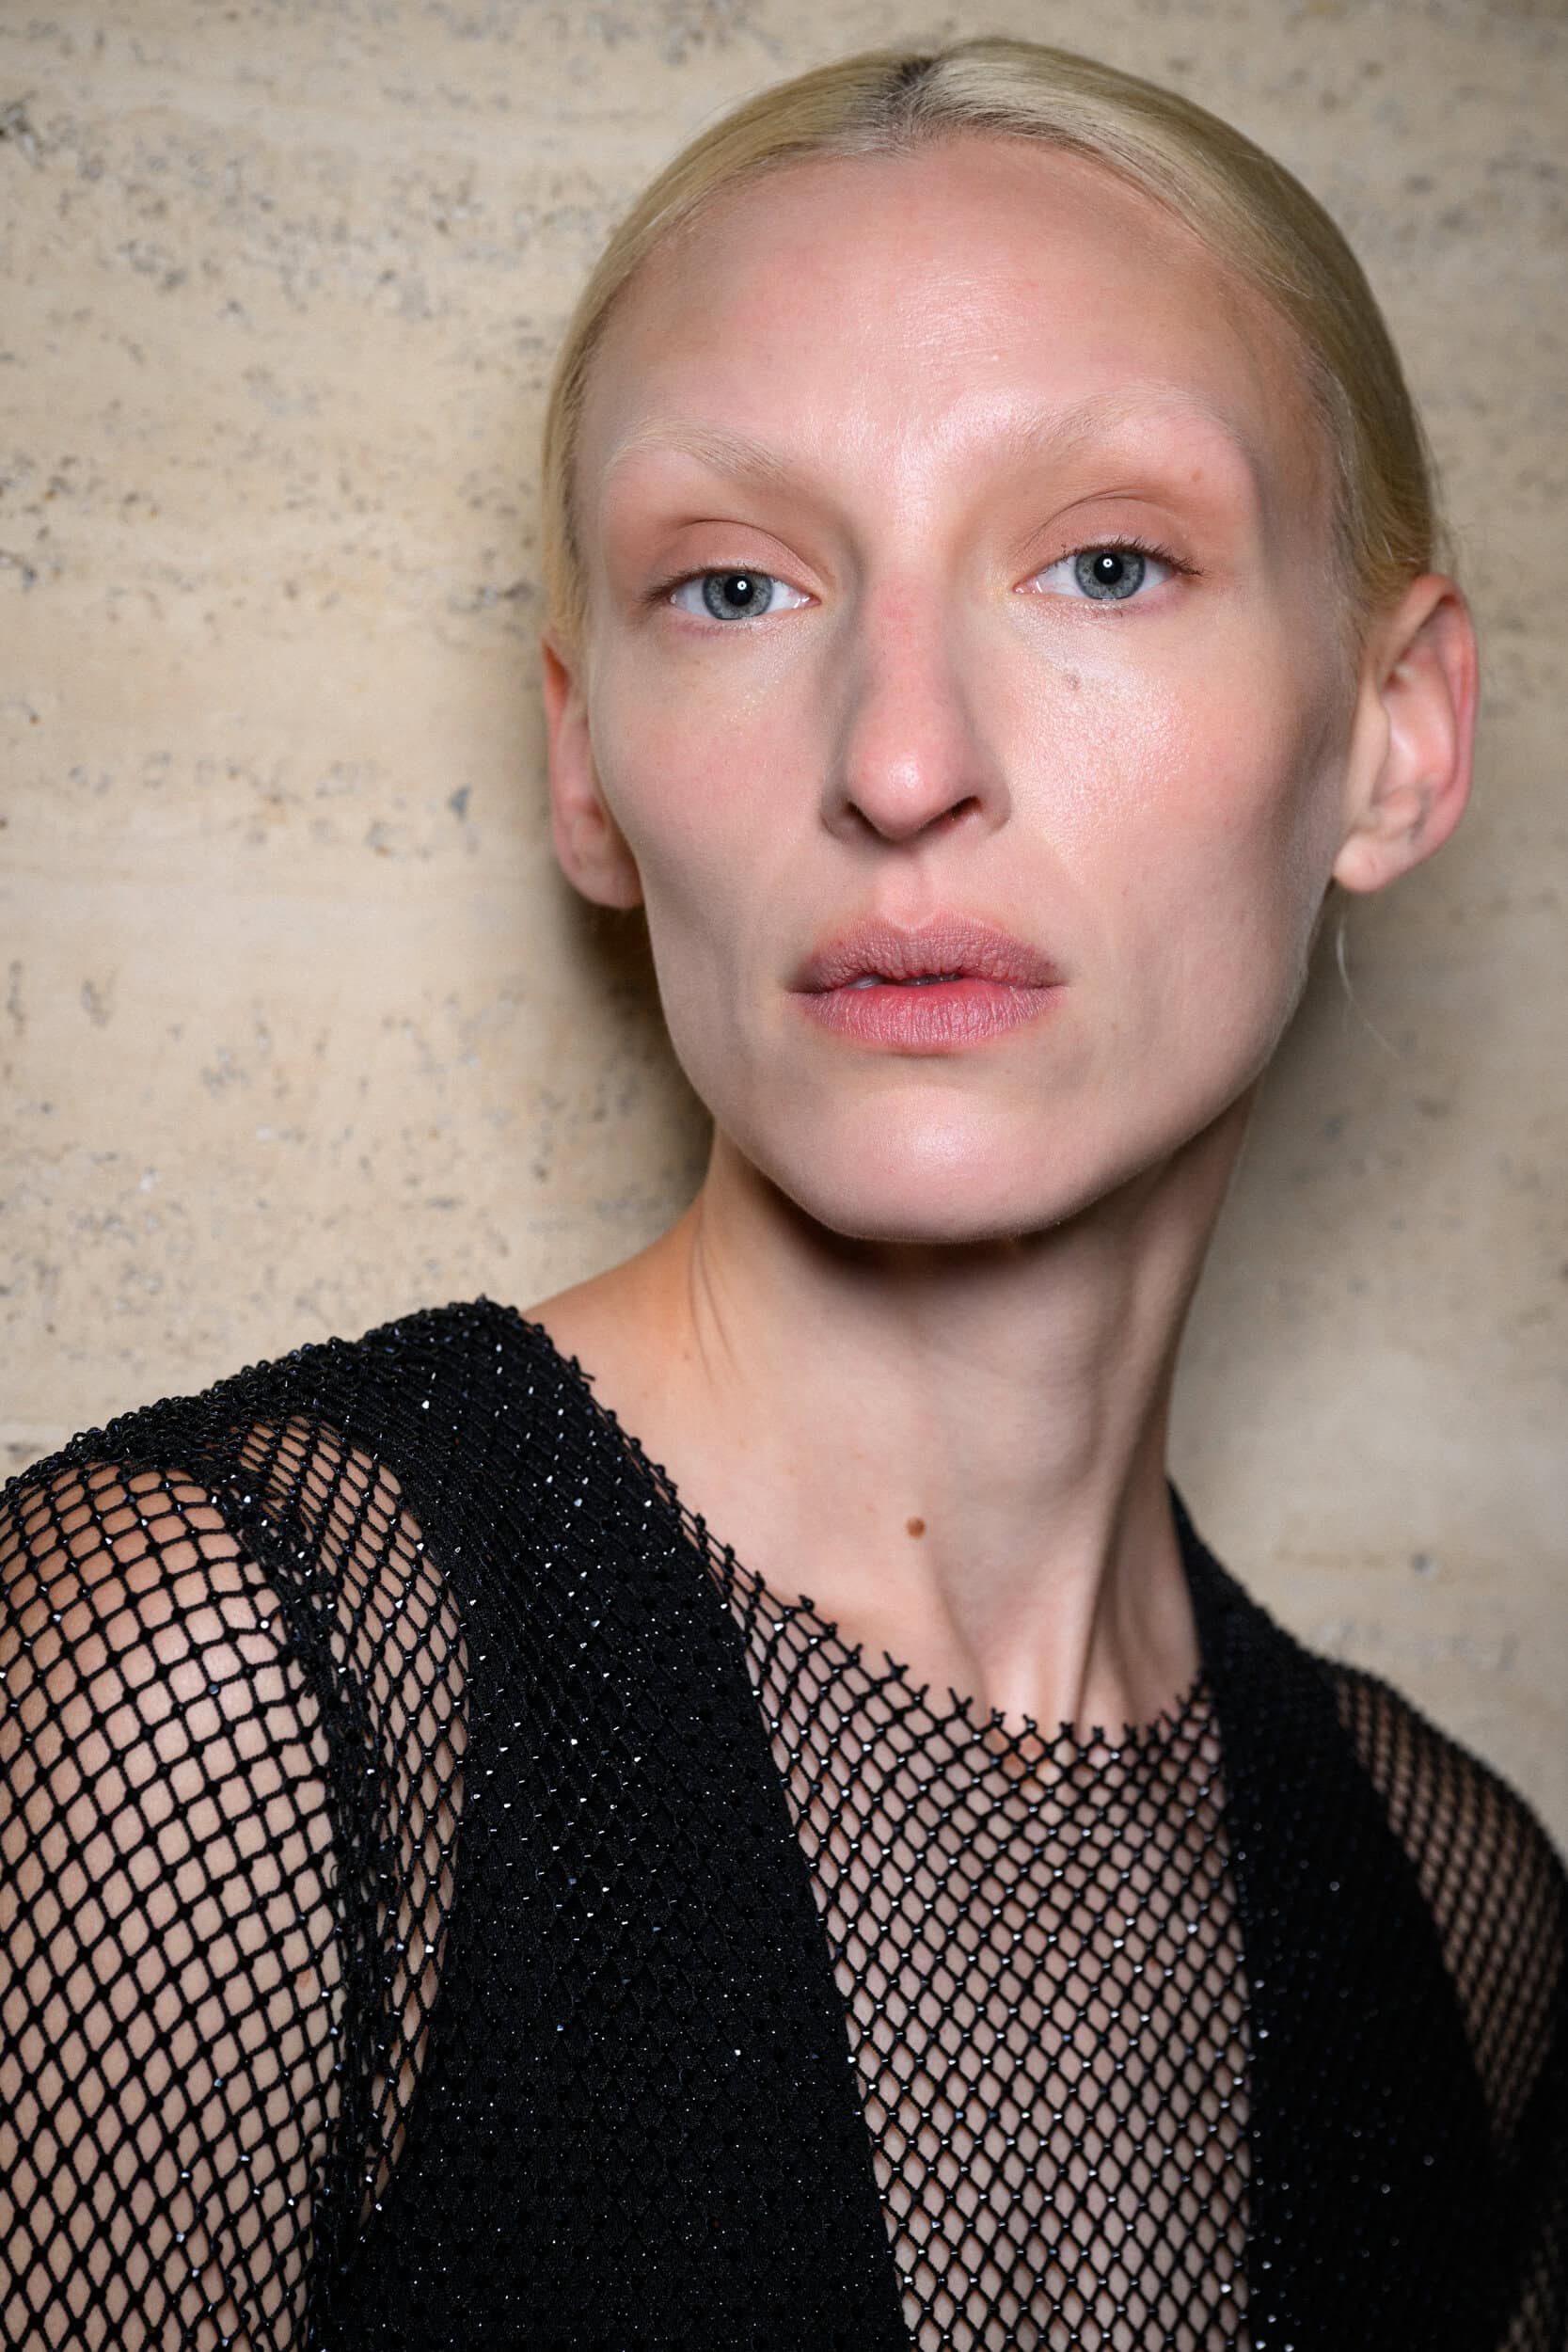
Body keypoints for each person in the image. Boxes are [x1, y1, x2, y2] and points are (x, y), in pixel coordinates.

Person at [1, 31, 1563, 2352]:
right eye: (734, 586)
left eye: (1106, 561)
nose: (902, 760)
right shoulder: (213, 1698)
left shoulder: (1461, 1920)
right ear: (589, 764)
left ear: (1395, 733)